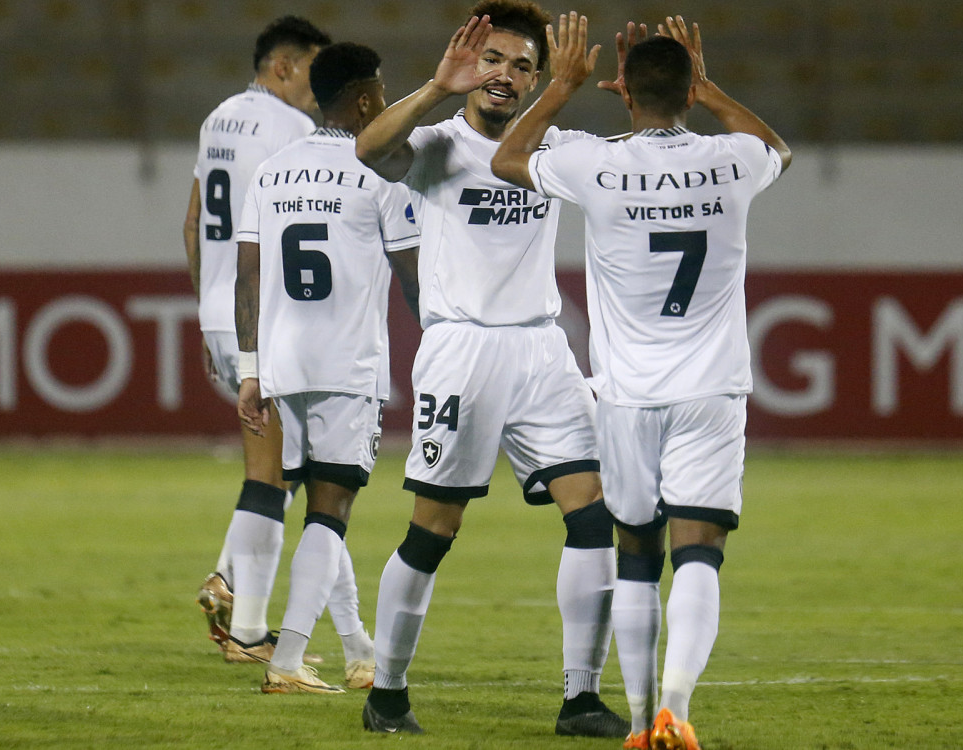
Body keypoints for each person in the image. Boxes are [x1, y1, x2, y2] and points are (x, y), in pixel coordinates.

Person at [492, 14, 791, 750]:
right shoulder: (732, 160)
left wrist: (559, 89)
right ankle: (676, 711)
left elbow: (507, 160)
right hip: (710, 392)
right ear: (689, 89)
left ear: (624, 94)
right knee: (699, 551)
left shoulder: (598, 163)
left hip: (625, 396)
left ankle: (632, 721)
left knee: (635, 555)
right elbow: (779, 147)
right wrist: (710, 84)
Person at [354, 0, 625, 737]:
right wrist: (436, 87)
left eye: (523, 66)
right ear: (471, 64)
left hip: (541, 349)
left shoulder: (553, 146)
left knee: (594, 513)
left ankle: (580, 696)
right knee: (433, 530)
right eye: (493, 59)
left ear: (541, 79)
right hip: (462, 351)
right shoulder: (438, 144)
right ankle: (388, 690)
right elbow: (370, 151)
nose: (504, 75)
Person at [234, 41, 421, 694]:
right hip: (347, 364)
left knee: (317, 498)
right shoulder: (381, 172)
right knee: (331, 510)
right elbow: (412, 274)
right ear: (367, 98)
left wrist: (249, 368)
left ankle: (358, 650)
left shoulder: (273, 170)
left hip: (283, 363)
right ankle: (285, 661)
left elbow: (248, 279)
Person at [184, 16, 331, 663]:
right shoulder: (293, 131)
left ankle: (230, 585)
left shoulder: (217, 119)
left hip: (219, 309)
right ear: (283, 67)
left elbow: (192, 225)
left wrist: (203, 308)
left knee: (283, 466)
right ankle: (244, 626)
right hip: (263, 316)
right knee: (280, 472)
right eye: (311, 74)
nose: (317, 91)